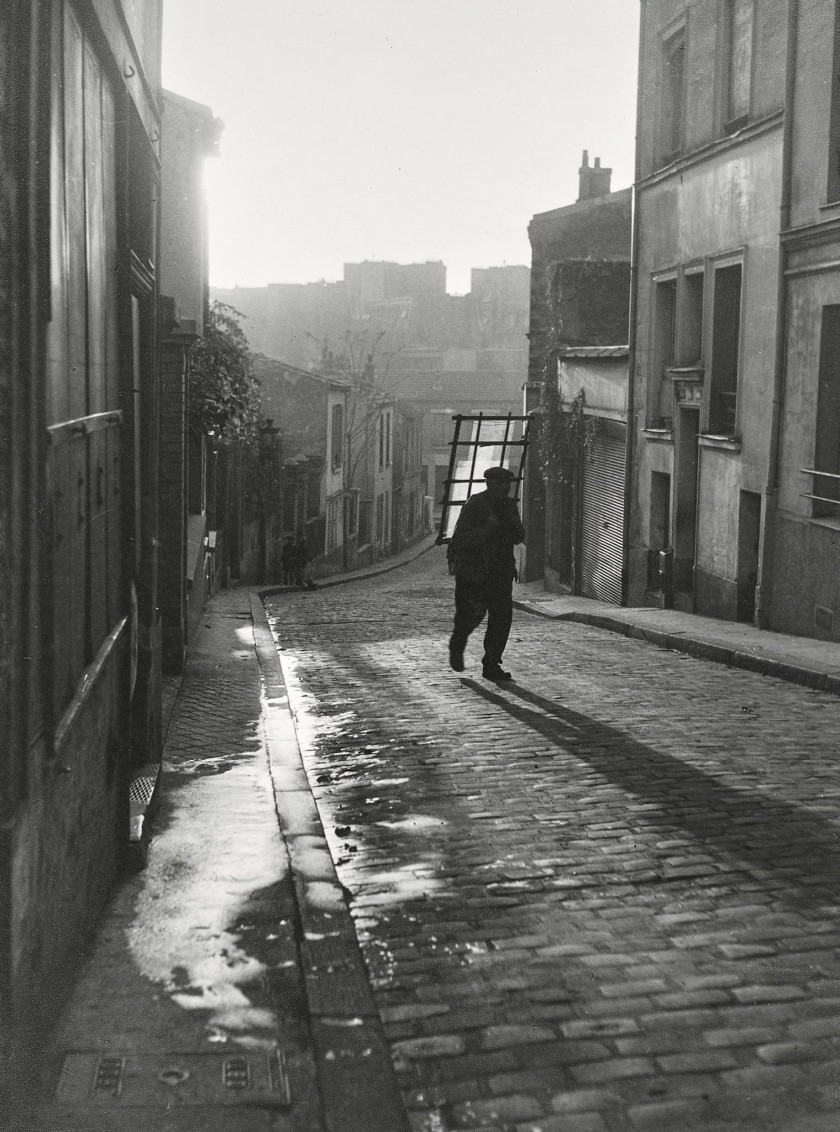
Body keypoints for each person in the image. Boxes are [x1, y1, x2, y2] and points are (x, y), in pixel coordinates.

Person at [447, 466, 525, 682]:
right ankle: (458, 642)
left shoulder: (509, 507)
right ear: (489, 484)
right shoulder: (476, 504)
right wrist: (487, 529)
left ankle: (491, 663)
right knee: (471, 616)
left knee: (501, 620)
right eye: (499, 483)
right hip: (474, 573)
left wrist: (513, 524)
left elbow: (519, 537)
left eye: (506, 483)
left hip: (500, 573)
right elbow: (460, 539)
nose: (504, 487)